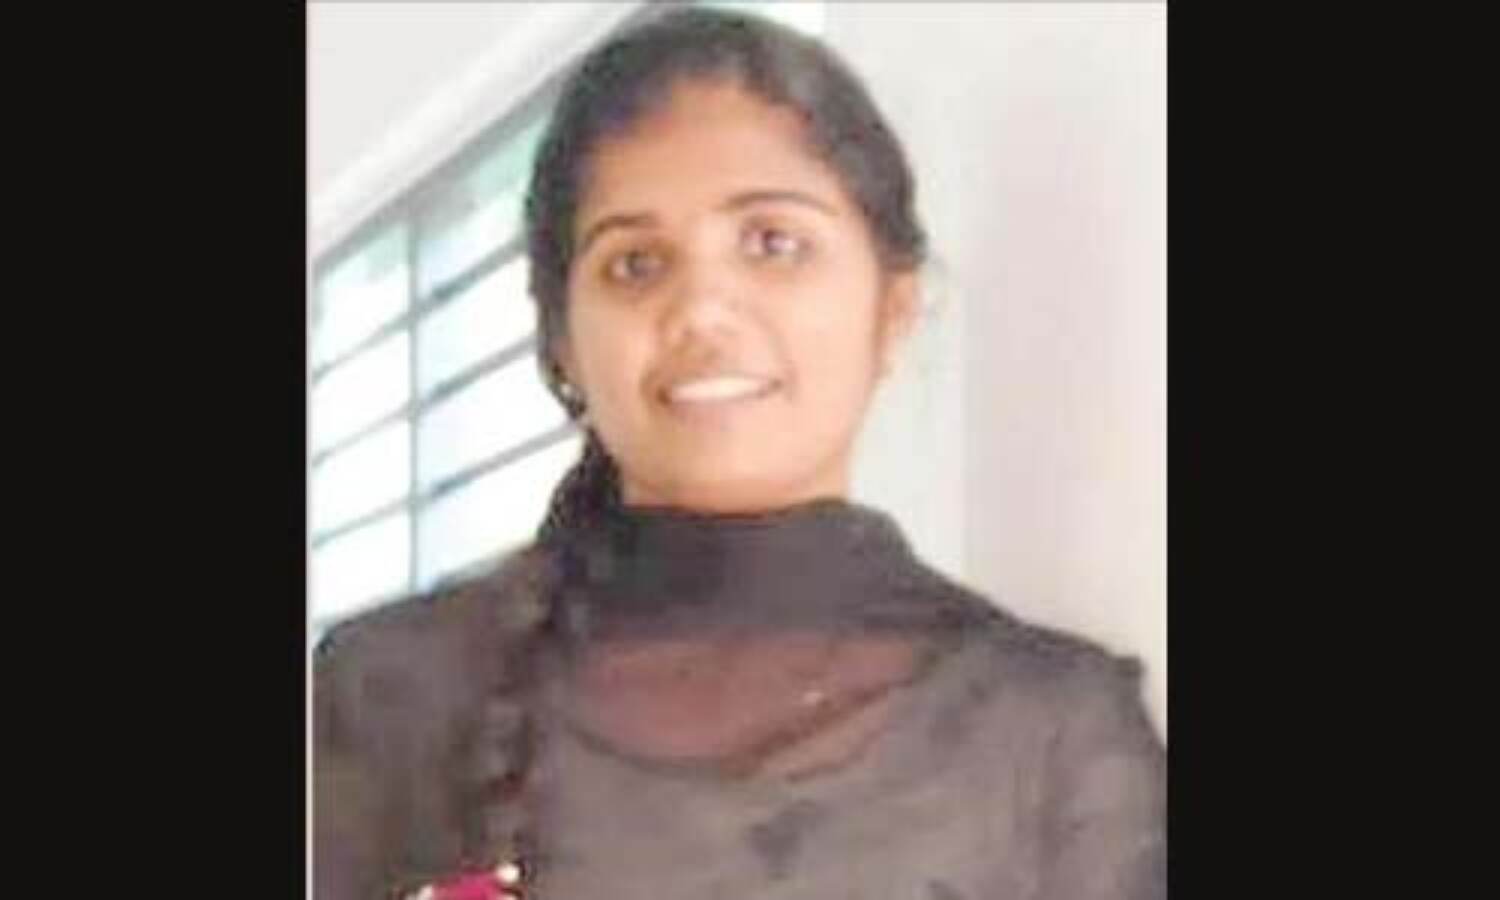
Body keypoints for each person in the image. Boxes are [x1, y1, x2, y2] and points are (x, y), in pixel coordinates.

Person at [313, 8, 1166, 899]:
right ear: (564, 343)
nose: (702, 311)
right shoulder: (385, 695)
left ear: (893, 309)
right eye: (636, 264)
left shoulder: (1056, 740)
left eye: (773, 244)